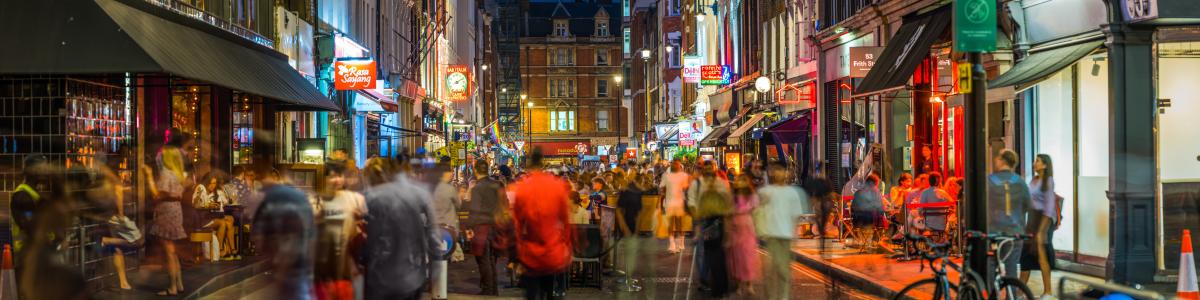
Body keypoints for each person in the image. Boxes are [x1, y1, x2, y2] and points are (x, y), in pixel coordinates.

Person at [362, 163, 439, 300]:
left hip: (384, 276)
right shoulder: (417, 194)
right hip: (413, 274)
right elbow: (433, 233)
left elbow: (371, 241)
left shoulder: (373, 198)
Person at [509, 148, 573, 300]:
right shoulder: (556, 185)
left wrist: (515, 254)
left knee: (531, 292)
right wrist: (568, 245)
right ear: (543, 162)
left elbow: (517, 223)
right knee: (550, 290)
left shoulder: (523, 187)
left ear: (529, 163)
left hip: (531, 252)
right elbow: (565, 221)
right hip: (552, 250)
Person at [252, 167, 317, 299]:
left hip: (284, 265)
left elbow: (258, 237)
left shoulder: (266, 198)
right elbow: (311, 234)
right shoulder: (300, 197)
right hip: (298, 265)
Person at [755, 163, 810, 300]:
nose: (779, 175)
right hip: (771, 237)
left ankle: (783, 297)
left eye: (781, 172)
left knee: (783, 272)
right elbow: (757, 212)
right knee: (770, 272)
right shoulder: (765, 192)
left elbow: (795, 217)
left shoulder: (792, 193)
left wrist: (795, 236)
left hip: (785, 237)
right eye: (776, 172)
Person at [313, 163, 366, 300]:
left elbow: (365, 230)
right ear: (323, 179)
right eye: (331, 176)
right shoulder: (316, 201)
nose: (336, 180)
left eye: (339, 176)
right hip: (324, 272)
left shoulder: (356, 199)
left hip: (348, 269)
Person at [147, 129, 190, 296]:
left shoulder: (166, 174)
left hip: (166, 210)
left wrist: (149, 176)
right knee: (172, 249)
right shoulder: (178, 174)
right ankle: (178, 284)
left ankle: (172, 287)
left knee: (169, 251)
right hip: (176, 209)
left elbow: (158, 194)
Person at [464, 161, 508, 296]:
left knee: (483, 260)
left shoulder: (478, 188)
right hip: (496, 226)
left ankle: (488, 290)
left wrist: (469, 226)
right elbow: (504, 203)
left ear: (476, 170)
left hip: (482, 227)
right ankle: (493, 289)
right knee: (492, 259)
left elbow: (475, 209)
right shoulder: (497, 185)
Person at [987, 149, 1032, 281]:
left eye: (997, 158)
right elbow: (1028, 205)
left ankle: (992, 294)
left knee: (990, 267)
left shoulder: (989, 180)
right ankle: (1011, 295)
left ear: (1002, 161)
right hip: (1015, 232)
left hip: (993, 232)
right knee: (1011, 270)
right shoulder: (1020, 182)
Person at [691, 165, 733, 297]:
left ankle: (716, 284)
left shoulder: (719, 184)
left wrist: (727, 233)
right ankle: (708, 281)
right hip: (706, 222)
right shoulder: (697, 184)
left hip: (716, 224)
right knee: (705, 254)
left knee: (715, 256)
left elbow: (727, 204)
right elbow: (693, 204)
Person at [1021, 154, 1057, 296]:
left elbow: (1049, 207)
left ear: (1045, 165)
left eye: (1037, 161)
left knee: (1042, 255)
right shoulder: (1034, 180)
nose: (1034, 163)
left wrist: (1042, 231)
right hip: (1032, 219)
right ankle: (1019, 291)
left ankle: (1047, 292)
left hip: (1043, 220)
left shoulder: (1048, 181)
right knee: (1027, 254)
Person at [727, 175, 761, 296]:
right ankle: (737, 285)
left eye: (743, 181)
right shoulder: (733, 196)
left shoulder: (751, 196)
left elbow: (756, 211)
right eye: (739, 181)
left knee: (748, 257)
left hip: (747, 228)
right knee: (736, 257)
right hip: (735, 228)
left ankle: (749, 284)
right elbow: (728, 211)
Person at [194, 172, 237, 259]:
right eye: (211, 183)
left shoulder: (216, 192)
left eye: (214, 183)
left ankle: (231, 249)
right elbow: (197, 204)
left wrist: (211, 205)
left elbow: (225, 202)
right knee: (223, 223)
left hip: (210, 215)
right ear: (207, 182)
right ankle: (222, 249)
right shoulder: (201, 189)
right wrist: (209, 205)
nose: (213, 185)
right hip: (203, 219)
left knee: (230, 220)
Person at [658, 161, 691, 253]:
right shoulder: (668, 176)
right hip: (672, 202)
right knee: (672, 224)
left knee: (678, 223)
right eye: (674, 165)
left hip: (677, 202)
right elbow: (663, 188)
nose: (675, 166)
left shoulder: (678, 175)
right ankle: (673, 244)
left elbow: (663, 188)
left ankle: (679, 243)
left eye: (676, 165)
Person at [851, 174, 886, 251]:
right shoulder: (875, 191)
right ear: (875, 183)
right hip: (870, 220)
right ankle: (875, 243)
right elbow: (880, 208)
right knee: (885, 223)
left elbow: (852, 208)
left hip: (857, 221)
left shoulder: (858, 191)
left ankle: (867, 243)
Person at [918, 172, 955, 237]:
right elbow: (952, 204)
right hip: (942, 224)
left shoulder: (925, 192)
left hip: (928, 224)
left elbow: (920, 209)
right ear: (938, 181)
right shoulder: (943, 193)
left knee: (915, 218)